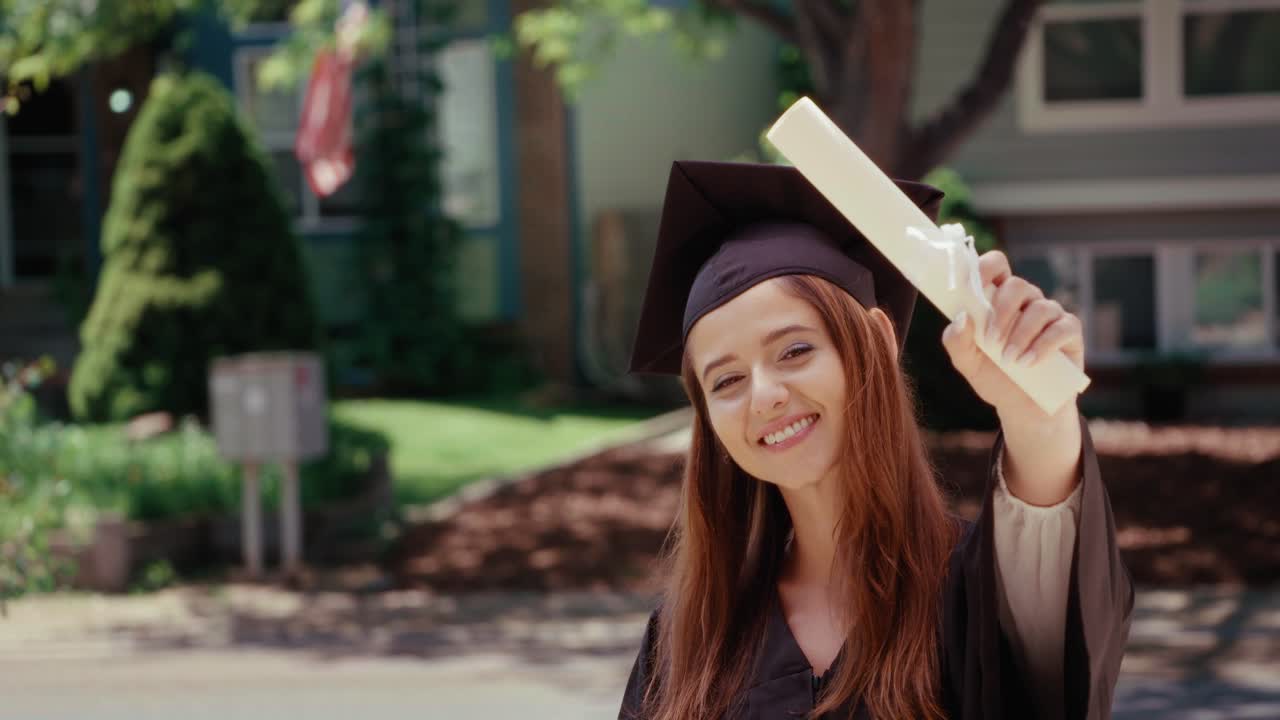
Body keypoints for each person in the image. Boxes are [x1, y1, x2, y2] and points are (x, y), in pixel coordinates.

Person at [619, 161, 1133, 720]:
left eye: (794, 350)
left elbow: (1055, 593)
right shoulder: (690, 636)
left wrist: (1039, 415)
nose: (764, 395)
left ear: (879, 338)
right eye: (726, 381)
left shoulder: (977, 594)